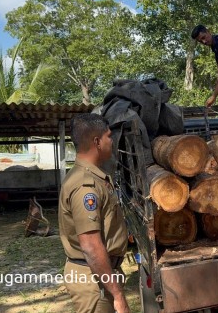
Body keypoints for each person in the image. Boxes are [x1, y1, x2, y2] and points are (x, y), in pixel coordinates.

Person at [58, 113, 131, 313]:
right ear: (97, 142)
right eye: (109, 136)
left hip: (100, 275)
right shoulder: (85, 185)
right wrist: (117, 295)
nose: (112, 140)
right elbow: (90, 245)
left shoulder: (93, 177)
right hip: (94, 280)